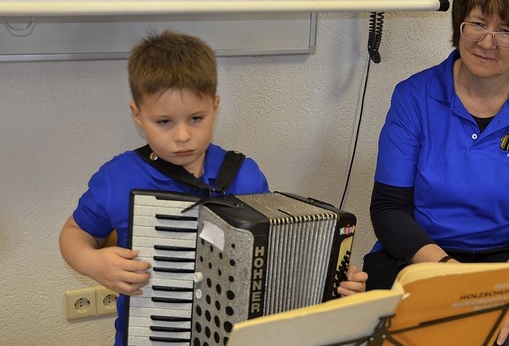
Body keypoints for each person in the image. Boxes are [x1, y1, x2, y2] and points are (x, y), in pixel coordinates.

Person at [59, 30, 367, 346]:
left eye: (195, 118)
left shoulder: (245, 177)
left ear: (215, 107)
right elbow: (74, 234)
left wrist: (333, 284)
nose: (182, 135)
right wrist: (92, 262)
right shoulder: (119, 177)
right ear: (138, 115)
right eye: (164, 121)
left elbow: (277, 260)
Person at [362, 0, 509, 345]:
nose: (486, 41)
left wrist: (506, 288)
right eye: (477, 23)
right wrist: (447, 273)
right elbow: (389, 209)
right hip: (420, 257)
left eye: (506, 31)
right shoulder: (413, 96)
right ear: (460, 22)